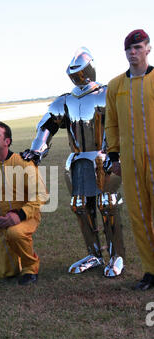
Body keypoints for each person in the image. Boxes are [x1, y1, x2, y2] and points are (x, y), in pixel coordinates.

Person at [22, 47, 125, 277]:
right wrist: (37, 150)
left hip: (104, 157)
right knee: (80, 206)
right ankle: (94, 254)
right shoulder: (65, 100)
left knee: (106, 204)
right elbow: (46, 126)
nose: (76, 75)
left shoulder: (106, 94)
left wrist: (114, 154)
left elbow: (118, 124)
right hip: (77, 160)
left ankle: (116, 255)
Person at [105, 29, 154, 291]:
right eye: (129, 49)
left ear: (148, 49)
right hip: (131, 163)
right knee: (139, 217)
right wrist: (114, 155)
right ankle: (151, 270)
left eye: (138, 47)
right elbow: (110, 123)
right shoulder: (116, 86)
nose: (133, 53)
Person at [0, 121, 47, 285]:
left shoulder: (23, 162)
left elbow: (41, 194)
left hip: (26, 216)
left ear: (7, 142)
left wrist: (20, 215)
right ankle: (15, 257)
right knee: (7, 273)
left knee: (15, 233)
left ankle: (30, 267)